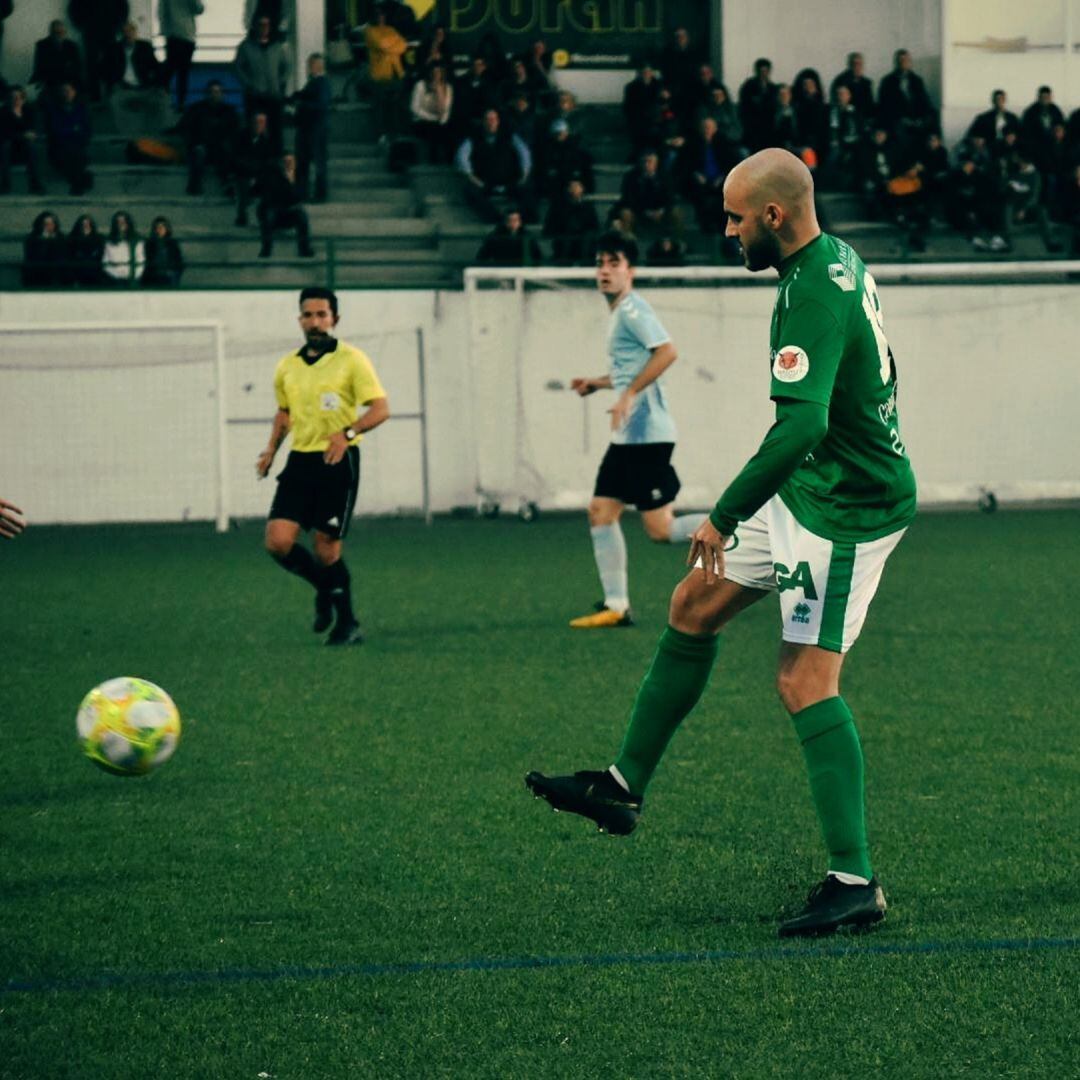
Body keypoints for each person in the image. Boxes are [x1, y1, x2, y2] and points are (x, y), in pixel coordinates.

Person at [527, 148, 917, 940]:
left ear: (774, 215)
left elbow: (801, 425)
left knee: (804, 680)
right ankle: (621, 786)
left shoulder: (810, 293)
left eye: (736, 218)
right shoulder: (830, 259)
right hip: (812, 484)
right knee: (692, 604)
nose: (728, 230)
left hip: (848, 507)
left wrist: (723, 514)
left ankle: (854, 882)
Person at [562, 231, 707, 629]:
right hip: (629, 436)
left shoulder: (632, 309)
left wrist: (628, 394)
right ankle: (616, 605)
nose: (605, 271)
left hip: (647, 436)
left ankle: (748, 529)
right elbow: (631, 370)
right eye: (600, 263)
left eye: (615, 263)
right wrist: (597, 383)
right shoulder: (620, 314)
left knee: (661, 529)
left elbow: (667, 352)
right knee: (601, 511)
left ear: (631, 271)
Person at [257, 287, 390, 646]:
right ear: (300, 319)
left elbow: (380, 409)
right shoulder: (287, 366)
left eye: (321, 315)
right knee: (277, 542)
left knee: (326, 548)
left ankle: (348, 624)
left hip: (337, 461)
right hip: (300, 461)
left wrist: (347, 433)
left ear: (335, 319)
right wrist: (271, 450)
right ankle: (324, 587)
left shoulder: (353, 360)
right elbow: (284, 412)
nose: (315, 322)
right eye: (308, 315)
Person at [455, 107, 534, 224]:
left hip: (510, 181)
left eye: (493, 119)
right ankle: (496, 219)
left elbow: (524, 154)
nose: (490, 122)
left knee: (528, 188)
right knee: (470, 191)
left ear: (498, 121)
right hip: (483, 182)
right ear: (482, 122)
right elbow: (461, 157)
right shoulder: (473, 138)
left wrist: (524, 175)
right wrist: (474, 179)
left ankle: (523, 220)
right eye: (487, 119)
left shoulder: (510, 136)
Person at [234, 13, 289, 151]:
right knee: (253, 128)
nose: (264, 28)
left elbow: (286, 66)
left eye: (267, 25)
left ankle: (275, 155)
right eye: (261, 24)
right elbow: (237, 67)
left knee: (275, 127)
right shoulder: (246, 47)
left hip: (273, 94)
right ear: (255, 26)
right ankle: (252, 156)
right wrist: (248, 84)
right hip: (254, 95)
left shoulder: (277, 47)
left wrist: (280, 82)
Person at [183, 80, 239, 196]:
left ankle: (228, 185)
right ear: (206, 94)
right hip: (201, 146)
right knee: (199, 153)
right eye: (212, 92)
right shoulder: (197, 109)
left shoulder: (229, 111)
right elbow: (188, 129)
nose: (214, 95)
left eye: (218, 92)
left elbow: (234, 131)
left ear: (223, 94)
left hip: (220, 148)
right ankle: (194, 184)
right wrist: (196, 144)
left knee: (225, 152)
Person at [257, 152, 315, 258]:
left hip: (290, 210)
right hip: (274, 208)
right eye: (286, 162)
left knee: (302, 217)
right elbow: (272, 194)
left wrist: (291, 181)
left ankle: (304, 249)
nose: (289, 164)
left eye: (291, 162)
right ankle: (266, 249)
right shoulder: (272, 175)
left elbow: (300, 195)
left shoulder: (297, 176)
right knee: (269, 217)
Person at [68, 0, 128, 101]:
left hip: (109, 32)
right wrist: (83, 27)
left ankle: (110, 95)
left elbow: (123, 8)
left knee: (111, 64)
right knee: (91, 66)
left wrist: (117, 27)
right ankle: (94, 96)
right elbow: (73, 9)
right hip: (90, 33)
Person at [364, 6, 406, 145]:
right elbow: (381, 45)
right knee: (380, 106)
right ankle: (381, 134)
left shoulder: (391, 29)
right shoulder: (370, 31)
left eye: (382, 14)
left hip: (395, 73)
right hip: (379, 75)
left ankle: (395, 133)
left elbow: (403, 45)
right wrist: (393, 43)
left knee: (394, 105)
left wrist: (390, 46)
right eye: (378, 15)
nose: (380, 17)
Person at [294, 53, 331, 202]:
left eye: (310, 65)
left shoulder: (321, 83)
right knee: (305, 162)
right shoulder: (315, 83)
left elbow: (321, 105)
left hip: (315, 128)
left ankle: (318, 194)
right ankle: (304, 193)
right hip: (310, 128)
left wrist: (301, 105)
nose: (307, 68)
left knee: (316, 162)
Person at [44, 82, 92, 195]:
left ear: (74, 92)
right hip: (58, 147)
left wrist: (69, 130)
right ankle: (81, 181)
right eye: (64, 91)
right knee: (70, 154)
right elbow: (55, 130)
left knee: (76, 155)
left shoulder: (81, 109)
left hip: (77, 146)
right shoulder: (53, 110)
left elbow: (86, 130)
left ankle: (77, 184)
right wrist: (73, 130)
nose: (66, 94)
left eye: (69, 91)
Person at [543, 176, 599, 265]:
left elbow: (595, 227)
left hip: (583, 244)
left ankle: (585, 263)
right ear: (568, 189)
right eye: (572, 187)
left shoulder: (588, 208)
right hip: (564, 243)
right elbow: (549, 228)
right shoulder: (558, 207)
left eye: (577, 186)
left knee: (588, 237)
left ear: (582, 189)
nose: (575, 189)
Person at [158, 0, 203, 111]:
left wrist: (164, 31)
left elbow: (162, 12)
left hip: (174, 35)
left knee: (171, 69)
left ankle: (164, 96)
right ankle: (180, 102)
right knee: (183, 72)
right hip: (187, 35)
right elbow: (199, 9)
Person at [233, 109, 276, 226]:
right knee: (243, 184)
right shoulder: (241, 137)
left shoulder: (267, 140)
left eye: (262, 123)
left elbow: (270, 159)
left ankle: (267, 216)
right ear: (251, 123)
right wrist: (251, 168)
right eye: (257, 122)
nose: (259, 125)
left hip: (260, 172)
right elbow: (236, 157)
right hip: (244, 172)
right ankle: (242, 215)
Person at [0, 86, 46, 195]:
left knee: (31, 147)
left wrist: (31, 135)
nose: (16, 100)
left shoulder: (30, 111)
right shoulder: (3, 112)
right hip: (10, 148)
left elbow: (36, 129)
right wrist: (22, 135)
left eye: (19, 97)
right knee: (5, 146)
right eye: (13, 97)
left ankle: (35, 184)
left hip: (26, 147)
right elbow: (3, 133)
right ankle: (5, 185)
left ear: (23, 98)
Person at [410, 64, 454, 164]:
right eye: (434, 72)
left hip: (440, 122)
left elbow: (447, 109)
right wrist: (432, 118)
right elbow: (414, 108)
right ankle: (430, 161)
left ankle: (442, 163)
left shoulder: (448, 87)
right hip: (422, 120)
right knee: (432, 130)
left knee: (444, 131)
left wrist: (439, 92)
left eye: (438, 72)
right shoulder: (420, 85)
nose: (436, 75)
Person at [31, 20, 83, 100]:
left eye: (62, 32)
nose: (59, 35)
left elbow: (77, 67)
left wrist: (70, 84)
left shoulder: (72, 46)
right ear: (51, 33)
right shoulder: (42, 45)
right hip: (49, 80)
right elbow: (39, 67)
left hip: (68, 80)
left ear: (65, 33)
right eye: (56, 33)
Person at [475, 205, 541, 266]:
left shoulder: (527, 236)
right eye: (509, 220)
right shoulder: (494, 237)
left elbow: (538, 257)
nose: (512, 223)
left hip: (522, 269)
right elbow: (481, 257)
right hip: (501, 269)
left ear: (520, 222)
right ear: (504, 221)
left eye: (515, 220)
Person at [22, 210, 66, 287]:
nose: (49, 226)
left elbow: (62, 255)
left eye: (52, 224)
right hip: (37, 272)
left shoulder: (60, 237)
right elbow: (33, 256)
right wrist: (44, 241)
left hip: (56, 272)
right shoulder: (32, 237)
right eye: (46, 224)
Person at [102, 210, 145, 283]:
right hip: (114, 281)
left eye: (123, 221)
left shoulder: (137, 240)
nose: (121, 224)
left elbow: (140, 261)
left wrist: (133, 275)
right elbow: (106, 262)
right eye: (118, 222)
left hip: (133, 280)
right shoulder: (109, 242)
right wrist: (116, 275)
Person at [829, 53, 874, 122]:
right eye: (854, 64)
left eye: (860, 64)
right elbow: (837, 103)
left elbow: (869, 104)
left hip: (863, 118)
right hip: (845, 117)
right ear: (849, 65)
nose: (857, 67)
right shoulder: (840, 81)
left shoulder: (866, 83)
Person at [142, 215, 184, 286]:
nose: (160, 229)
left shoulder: (172, 243)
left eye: (162, 227)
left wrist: (175, 273)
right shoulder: (149, 244)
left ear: (167, 228)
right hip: (153, 277)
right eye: (157, 227)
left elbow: (178, 260)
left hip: (169, 276)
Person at [67, 213, 105, 285]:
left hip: (95, 276)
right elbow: (70, 259)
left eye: (88, 224)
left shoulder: (99, 239)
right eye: (83, 224)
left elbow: (100, 257)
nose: (86, 226)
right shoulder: (72, 240)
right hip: (78, 276)